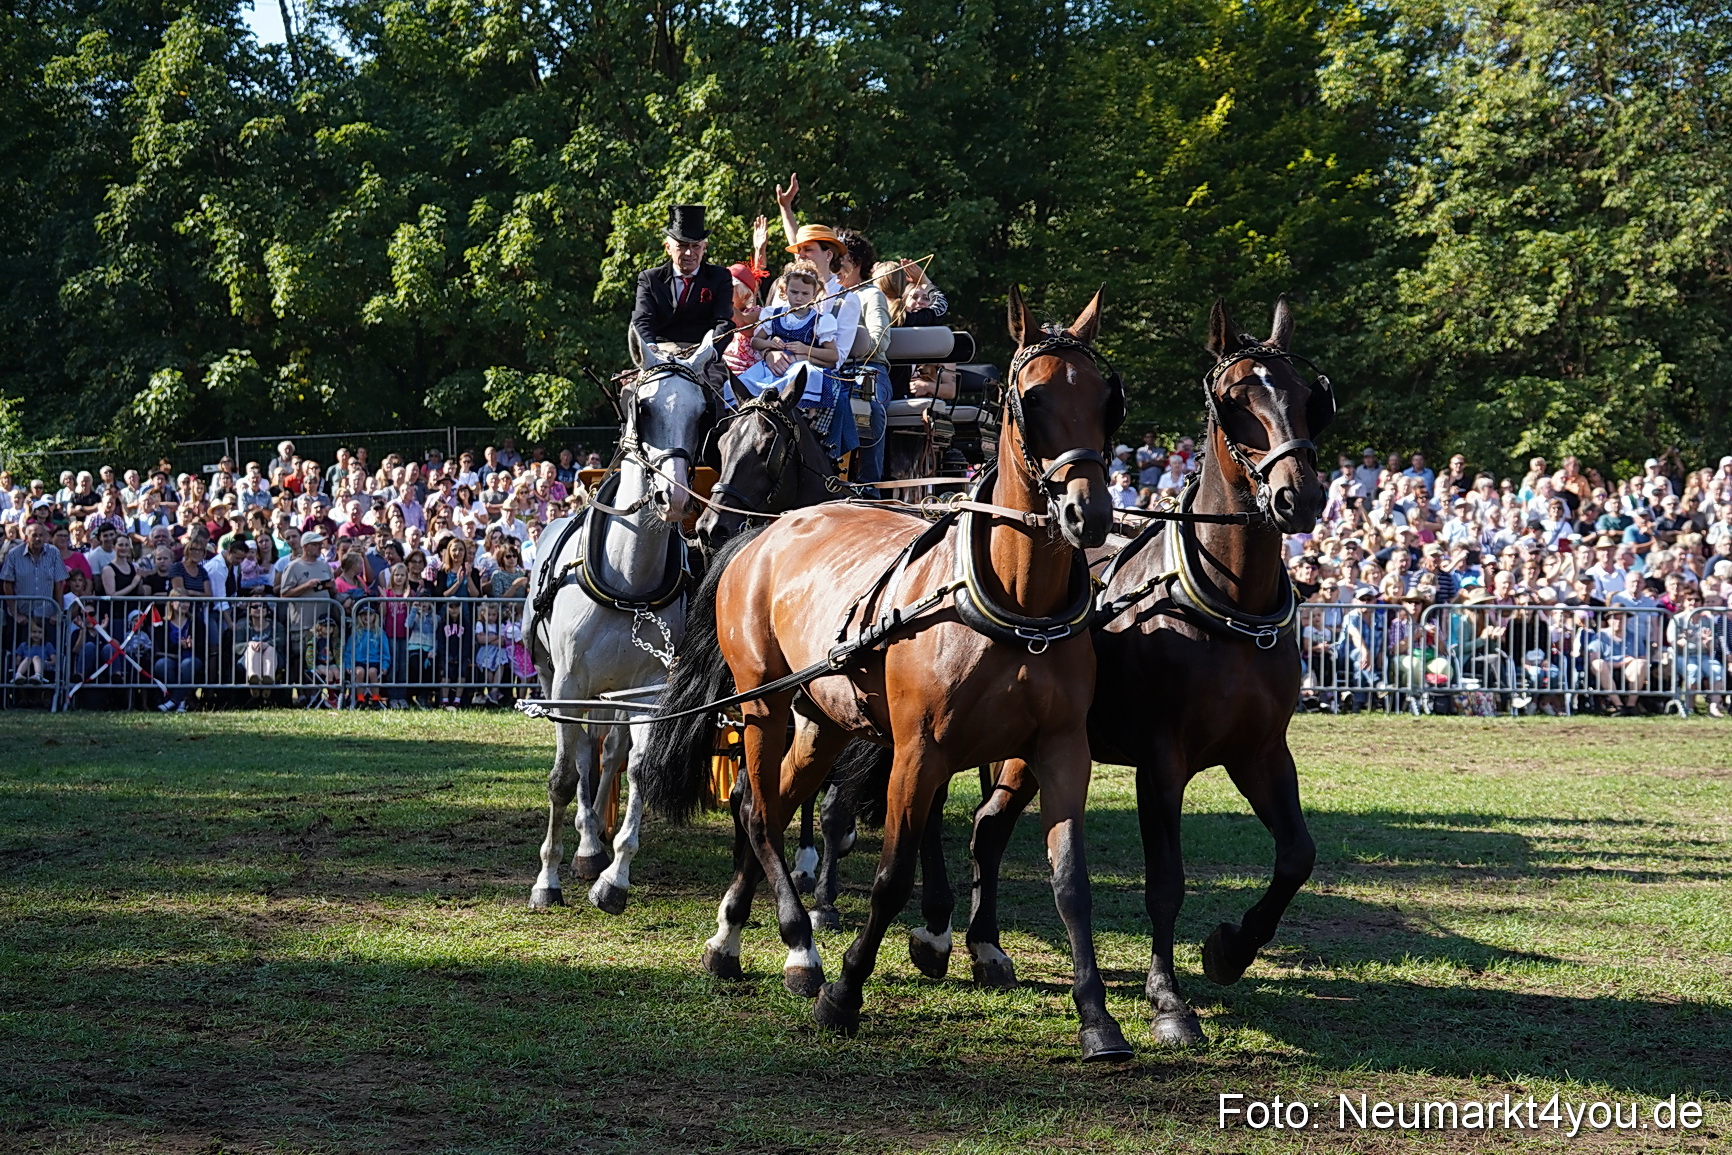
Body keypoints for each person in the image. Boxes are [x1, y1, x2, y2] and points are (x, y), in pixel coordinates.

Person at [629, 204, 734, 378]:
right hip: (661, 353)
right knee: (629, 395)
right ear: (668, 247)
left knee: (716, 397)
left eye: (696, 247)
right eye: (682, 246)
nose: (689, 253)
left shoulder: (720, 277)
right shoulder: (650, 279)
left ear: (704, 247)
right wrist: (651, 350)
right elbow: (642, 319)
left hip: (702, 354)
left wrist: (709, 352)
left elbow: (723, 321)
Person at [735, 262, 839, 399]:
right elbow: (756, 342)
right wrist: (770, 344)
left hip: (799, 366)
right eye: (794, 292)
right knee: (738, 385)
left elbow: (833, 355)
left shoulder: (820, 321)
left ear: (814, 294)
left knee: (808, 375)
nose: (799, 298)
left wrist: (805, 349)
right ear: (785, 290)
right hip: (772, 366)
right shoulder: (774, 314)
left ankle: (807, 414)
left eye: (805, 293)